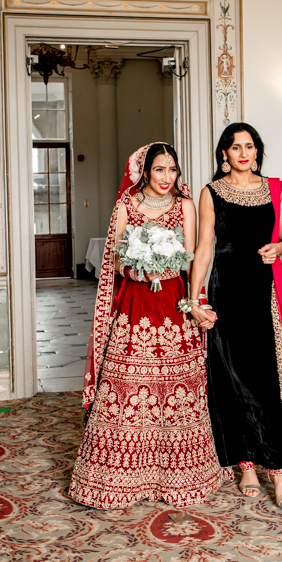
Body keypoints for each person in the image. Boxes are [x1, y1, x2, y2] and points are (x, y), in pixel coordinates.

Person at [71, 143, 221, 509]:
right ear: (145, 172)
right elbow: (114, 260)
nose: (167, 178)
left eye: (173, 170)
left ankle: (179, 474)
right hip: (136, 301)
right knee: (129, 387)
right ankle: (121, 476)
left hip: (172, 301)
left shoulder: (184, 205)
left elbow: (191, 258)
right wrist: (138, 269)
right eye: (159, 170)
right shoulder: (126, 205)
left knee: (176, 386)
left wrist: (195, 299)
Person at [189, 123, 282, 509]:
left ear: (257, 151)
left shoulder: (276, 190)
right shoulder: (211, 192)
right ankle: (246, 464)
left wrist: (278, 247)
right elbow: (204, 248)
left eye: (249, 146)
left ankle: (279, 472)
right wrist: (195, 298)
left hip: (266, 296)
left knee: (268, 382)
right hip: (227, 295)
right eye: (235, 147)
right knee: (232, 381)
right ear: (224, 154)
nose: (243, 153)